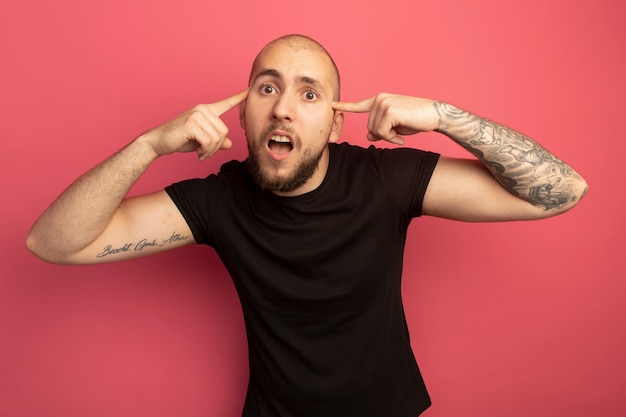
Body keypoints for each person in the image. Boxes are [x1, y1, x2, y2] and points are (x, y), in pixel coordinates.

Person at [26, 34, 588, 417]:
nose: (283, 109)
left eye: (309, 92)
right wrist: (149, 145)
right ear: (244, 110)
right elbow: (52, 243)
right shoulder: (220, 199)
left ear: (336, 117)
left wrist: (443, 117)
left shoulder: (384, 179)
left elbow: (562, 192)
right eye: (267, 88)